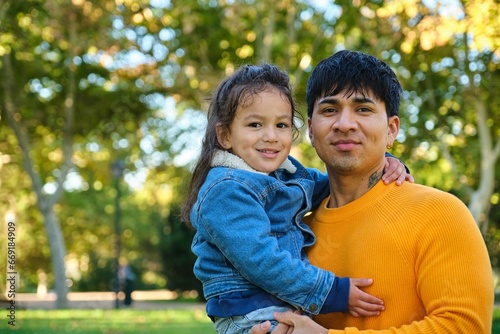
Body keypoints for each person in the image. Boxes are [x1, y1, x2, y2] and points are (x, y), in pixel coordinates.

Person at [250, 50, 494, 334]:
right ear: (312, 132)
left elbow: (466, 327)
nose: (344, 124)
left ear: (391, 129)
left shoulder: (439, 213)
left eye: (363, 109)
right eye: (329, 110)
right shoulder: (295, 234)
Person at [180, 63, 413, 334]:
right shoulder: (226, 190)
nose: (270, 136)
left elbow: (339, 184)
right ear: (224, 135)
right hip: (249, 314)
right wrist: (331, 292)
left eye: (281, 125)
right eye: (255, 124)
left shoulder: (287, 176)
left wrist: (387, 164)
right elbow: (262, 260)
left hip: (279, 305)